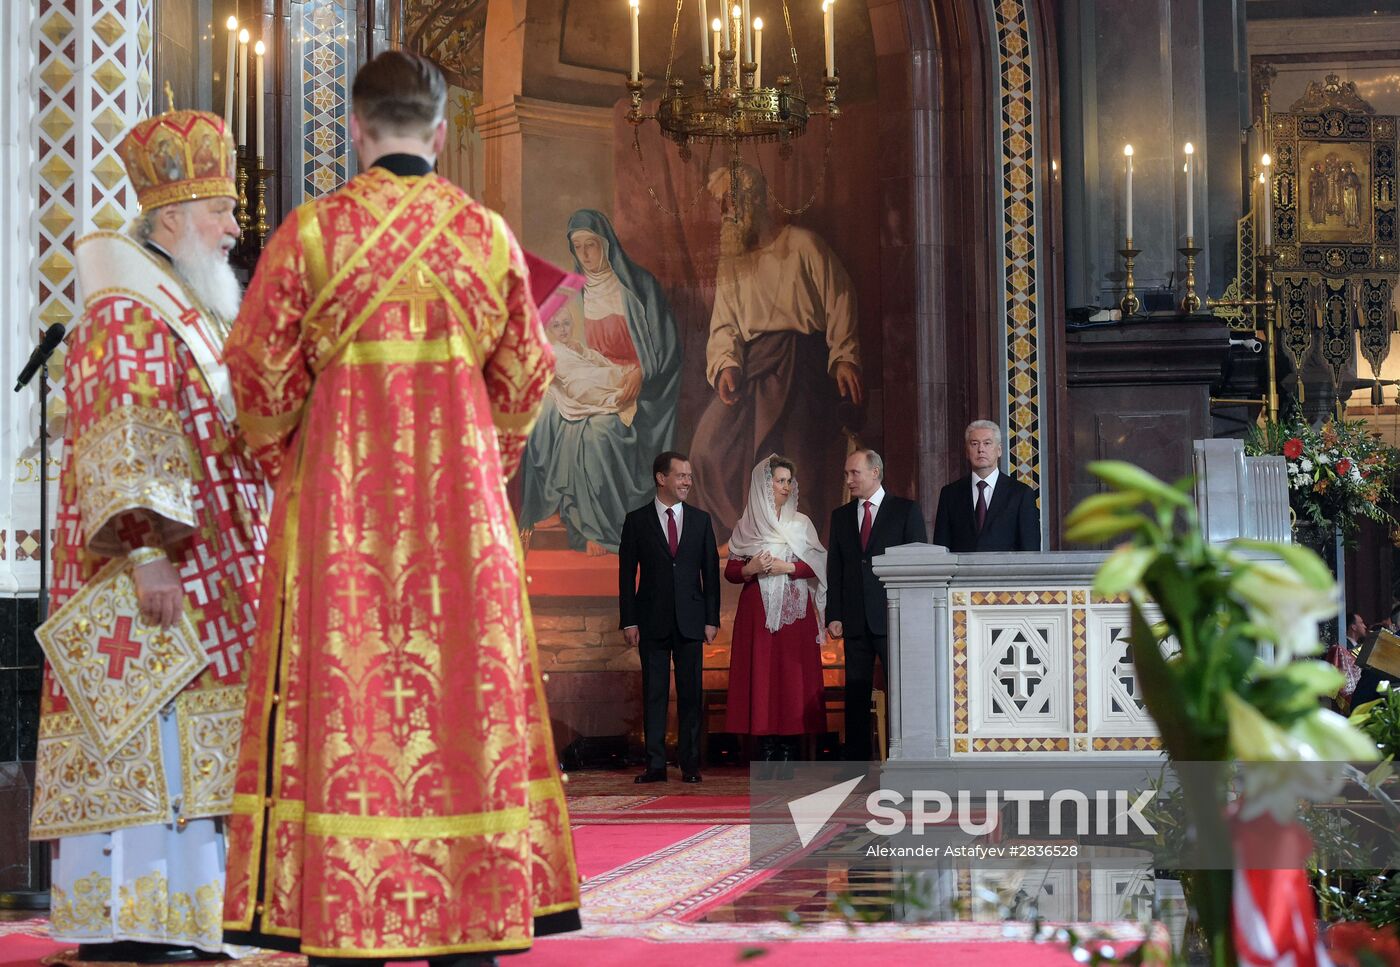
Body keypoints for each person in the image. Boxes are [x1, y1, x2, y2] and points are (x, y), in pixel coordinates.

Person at [219, 51, 579, 965]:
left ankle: (353, 926)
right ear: (443, 132)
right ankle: (473, 931)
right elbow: (530, 377)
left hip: (337, 530)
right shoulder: (487, 236)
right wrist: (481, 465)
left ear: (357, 128)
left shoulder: (310, 234)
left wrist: (293, 466)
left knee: (353, 718)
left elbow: (257, 380)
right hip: (464, 533)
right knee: (463, 713)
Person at [29, 106, 267, 961]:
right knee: (153, 737)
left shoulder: (189, 308)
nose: (237, 228)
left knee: (193, 745)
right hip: (156, 572)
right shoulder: (130, 309)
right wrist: (147, 549)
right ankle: (138, 917)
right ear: (172, 218)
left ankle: (194, 914)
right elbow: (126, 433)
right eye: (222, 213)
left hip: (212, 570)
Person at [689, 163, 861, 541]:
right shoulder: (731, 262)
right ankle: (748, 536)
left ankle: (798, 544)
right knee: (707, 449)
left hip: (802, 365)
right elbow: (724, 324)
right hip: (753, 368)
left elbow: (840, 298)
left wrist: (845, 356)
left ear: (752, 201)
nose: (725, 213)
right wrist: (726, 365)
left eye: (730, 201)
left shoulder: (802, 244)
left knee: (797, 458)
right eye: (720, 204)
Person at [519, 210, 682, 554]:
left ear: (607, 244)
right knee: (543, 412)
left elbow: (666, 348)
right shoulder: (573, 292)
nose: (586, 255)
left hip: (635, 385)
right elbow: (562, 345)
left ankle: (599, 530)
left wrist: (641, 372)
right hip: (586, 378)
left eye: (591, 245)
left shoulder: (639, 287)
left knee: (598, 433)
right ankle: (551, 507)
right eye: (578, 247)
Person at [618, 452, 721, 783]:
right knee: (654, 694)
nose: (687, 482)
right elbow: (625, 575)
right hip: (651, 620)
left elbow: (710, 574)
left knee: (691, 694)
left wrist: (711, 619)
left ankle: (690, 765)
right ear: (661, 478)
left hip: (691, 621)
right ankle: (656, 765)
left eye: (689, 476)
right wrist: (629, 620)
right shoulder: (636, 521)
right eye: (681, 476)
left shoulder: (701, 520)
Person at [725, 455, 828, 761]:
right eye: (779, 480)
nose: (785, 486)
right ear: (763, 486)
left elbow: (818, 566)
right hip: (757, 611)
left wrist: (788, 567)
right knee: (763, 674)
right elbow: (731, 572)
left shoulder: (801, 523)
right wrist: (750, 567)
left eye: (788, 481)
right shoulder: (748, 525)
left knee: (792, 676)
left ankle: (790, 746)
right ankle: (767, 745)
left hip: (794, 613)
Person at [826, 449, 926, 761]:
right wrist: (834, 614)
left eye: (854, 473)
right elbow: (836, 569)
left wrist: (913, 616)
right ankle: (855, 760)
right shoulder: (840, 516)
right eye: (846, 474)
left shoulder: (905, 511)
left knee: (901, 690)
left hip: (893, 617)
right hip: (854, 619)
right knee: (855, 693)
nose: (849, 480)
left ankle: (907, 754)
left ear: (875, 473)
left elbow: (919, 565)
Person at [932, 420, 1041, 553]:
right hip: (963, 573)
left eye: (987, 443)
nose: (981, 449)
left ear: (999, 450)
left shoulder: (1021, 494)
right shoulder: (950, 494)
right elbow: (941, 548)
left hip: (1006, 573)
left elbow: (1030, 547)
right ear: (967, 451)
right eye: (974, 444)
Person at [544, 298, 641, 427]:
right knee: (581, 387)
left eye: (566, 323)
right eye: (556, 326)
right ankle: (613, 399)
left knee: (605, 374)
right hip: (573, 383)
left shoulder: (579, 347)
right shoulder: (552, 351)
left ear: (573, 324)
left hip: (591, 375)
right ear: (550, 330)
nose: (562, 329)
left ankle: (620, 388)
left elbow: (600, 361)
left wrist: (582, 352)